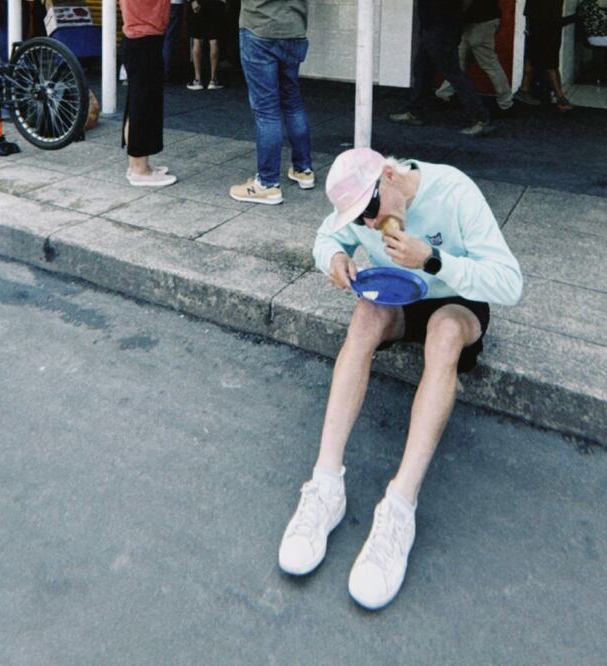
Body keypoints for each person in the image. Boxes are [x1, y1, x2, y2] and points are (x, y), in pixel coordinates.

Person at [279, 148, 523, 610]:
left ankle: (399, 507)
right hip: (397, 295)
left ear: (388, 175)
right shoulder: (362, 207)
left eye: (372, 210)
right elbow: (323, 239)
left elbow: (509, 283)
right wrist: (332, 260)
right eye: (360, 219)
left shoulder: (454, 191)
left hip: (456, 298)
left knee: (445, 334)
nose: (370, 225)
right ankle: (326, 484)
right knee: (365, 315)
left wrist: (432, 260)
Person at [228, 0, 315, 205]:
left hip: (259, 28)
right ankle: (304, 169)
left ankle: (268, 184)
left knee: (266, 111)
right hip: (294, 29)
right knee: (293, 103)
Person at [389, 0, 496, 136]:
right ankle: (414, 111)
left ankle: (481, 118)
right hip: (436, 27)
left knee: (453, 73)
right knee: (422, 70)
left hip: (439, 29)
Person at [120, 0, 178, 187]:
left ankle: (138, 164)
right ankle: (139, 169)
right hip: (143, 37)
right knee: (142, 104)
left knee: (140, 103)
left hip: (143, 37)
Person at [434, 0, 515, 115]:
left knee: (488, 64)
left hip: (479, 22)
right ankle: (443, 94)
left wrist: (455, 14)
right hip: (480, 20)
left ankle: (506, 104)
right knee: (460, 63)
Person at [514, 0, 573, 110]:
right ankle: (560, 97)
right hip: (546, 17)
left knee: (535, 54)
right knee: (549, 58)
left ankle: (524, 89)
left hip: (542, 16)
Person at [186, 0, 228, 90]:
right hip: (216, 4)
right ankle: (213, 79)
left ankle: (197, 80)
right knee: (214, 39)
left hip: (198, 3)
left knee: (197, 39)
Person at [162, 0, 186, 81]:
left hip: (160, 4)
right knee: (170, 38)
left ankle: (158, 70)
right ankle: (167, 71)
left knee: (160, 36)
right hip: (176, 3)